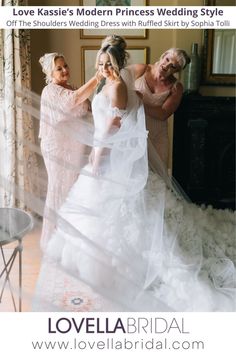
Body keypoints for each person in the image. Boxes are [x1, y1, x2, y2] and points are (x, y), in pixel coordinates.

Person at [34, 36, 235, 312]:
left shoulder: (118, 87)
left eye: (109, 63)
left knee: (123, 213)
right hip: (109, 151)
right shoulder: (121, 78)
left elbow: (113, 128)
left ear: (118, 64)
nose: (104, 67)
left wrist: (97, 158)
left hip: (109, 153)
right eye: (101, 63)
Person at [39, 52, 102, 250]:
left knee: (72, 190)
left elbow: (89, 109)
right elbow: (72, 101)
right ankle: (54, 242)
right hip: (57, 147)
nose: (65, 70)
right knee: (59, 189)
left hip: (74, 145)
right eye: (59, 68)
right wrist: (97, 77)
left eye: (65, 65)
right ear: (50, 72)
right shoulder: (50, 91)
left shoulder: (73, 87)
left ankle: (70, 241)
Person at [130, 48, 190, 168]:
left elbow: (163, 114)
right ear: (163, 56)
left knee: (158, 177)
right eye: (167, 59)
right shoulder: (141, 69)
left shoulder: (176, 87)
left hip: (157, 137)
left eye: (172, 66)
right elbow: (118, 81)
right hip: (133, 134)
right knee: (134, 176)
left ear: (177, 71)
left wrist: (137, 101)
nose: (166, 65)